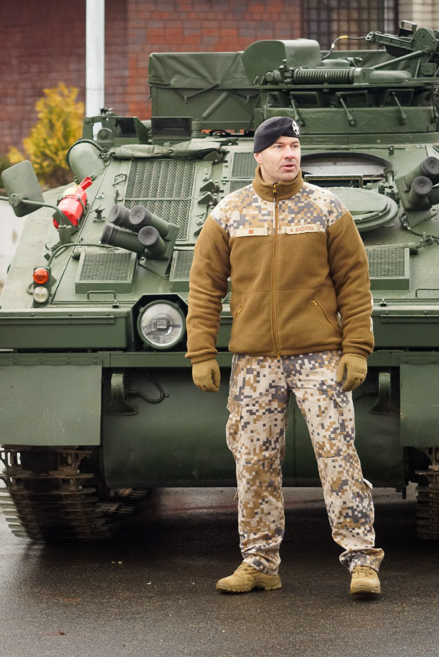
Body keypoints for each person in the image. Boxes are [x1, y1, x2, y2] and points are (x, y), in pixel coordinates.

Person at [185, 115, 384, 599]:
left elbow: (355, 283)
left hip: (319, 356)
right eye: (278, 147)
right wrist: (200, 351)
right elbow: (205, 286)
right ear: (258, 156)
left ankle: (362, 562)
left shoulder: (326, 209)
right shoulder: (228, 213)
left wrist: (356, 348)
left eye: (295, 146)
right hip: (254, 361)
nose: (289, 154)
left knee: (338, 458)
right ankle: (258, 562)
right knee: (253, 461)